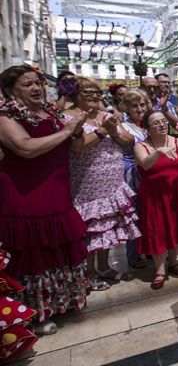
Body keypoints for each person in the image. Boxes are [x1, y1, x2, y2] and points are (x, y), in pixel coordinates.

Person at [0, 65, 90, 335]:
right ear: (9, 90)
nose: (36, 87)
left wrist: (77, 131)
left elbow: (73, 146)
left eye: (38, 82)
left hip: (57, 190)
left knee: (58, 247)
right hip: (27, 194)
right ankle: (35, 312)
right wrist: (67, 130)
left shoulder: (50, 113)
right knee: (34, 251)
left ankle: (64, 302)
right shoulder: (5, 116)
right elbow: (24, 147)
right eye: (27, 84)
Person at [66, 77, 141, 290]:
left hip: (111, 181)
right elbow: (77, 147)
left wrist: (114, 130)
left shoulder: (107, 116)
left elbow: (129, 140)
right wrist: (103, 131)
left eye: (96, 92)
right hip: (86, 181)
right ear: (75, 93)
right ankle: (88, 273)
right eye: (87, 92)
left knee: (107, 224)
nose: (93, 96)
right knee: (91, 227)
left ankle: (104, 266)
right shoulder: (68, 117)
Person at [133, 110, 178, 290]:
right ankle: (159, 270)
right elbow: (145, 164)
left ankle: (173, 263)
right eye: (156, 123)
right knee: (157, 229)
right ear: (147, 129)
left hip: (177, 191)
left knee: (175, 227)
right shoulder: (141, 146)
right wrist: (158, 152)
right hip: (154, 195)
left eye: (163, 121)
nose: (162, 125)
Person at [120, 89, 151, 270]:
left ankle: (149, 247)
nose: (139, 108)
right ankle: (133, 255)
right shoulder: (123, 126)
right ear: (127, 108)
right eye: (134, 105)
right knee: (134, 215)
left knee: (149, 213)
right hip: (132, 174)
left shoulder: (149, 124)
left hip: (150, 173)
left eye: (142, 104)